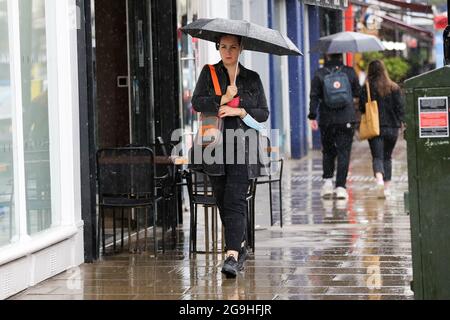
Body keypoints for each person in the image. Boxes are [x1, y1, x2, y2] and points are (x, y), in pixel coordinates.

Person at [191, 34, 269, 277]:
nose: (228, 52)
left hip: (243, 146)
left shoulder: (252, 78)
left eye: (233, 47)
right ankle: (240, 246)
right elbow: (197, 102)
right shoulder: (209, 73)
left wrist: (240, 108)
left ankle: (232, 254)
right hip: (213, 146)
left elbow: (263, 113)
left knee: (235, 198)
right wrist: (221, 99)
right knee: (223, 199)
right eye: (224, 47)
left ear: (240, 49)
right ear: (218, 48)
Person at [308, 53, 361, 200]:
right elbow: (358, 93)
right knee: (344, 152)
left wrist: (312, 116)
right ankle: (341, 187)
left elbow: (314, 96)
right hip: (346, 118)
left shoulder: (319, 73)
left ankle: (327, 184)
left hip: (327, 120)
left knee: (328, 151)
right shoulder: (349, 72)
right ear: (341, 56)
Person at [359, 59, 404, 198]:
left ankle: (379, 180)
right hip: (392, 128)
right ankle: (387, 188)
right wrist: (403, 123)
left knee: (377, 157)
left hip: (375, 127)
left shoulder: (367, 87)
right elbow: (400, 108)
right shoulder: (394, 87)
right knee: (388, 157)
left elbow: (362, 108)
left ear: (370, 71)